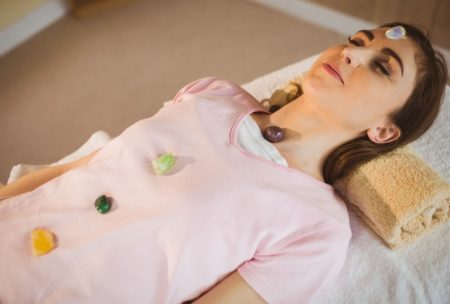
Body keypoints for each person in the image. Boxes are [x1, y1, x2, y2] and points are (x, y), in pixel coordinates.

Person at [0, 22, 447, 304]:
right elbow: (77, 169)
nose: (350, 53)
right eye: (355, 40)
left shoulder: (316, 227)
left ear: (385, 131)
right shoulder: (213, 94)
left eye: (382, 67)